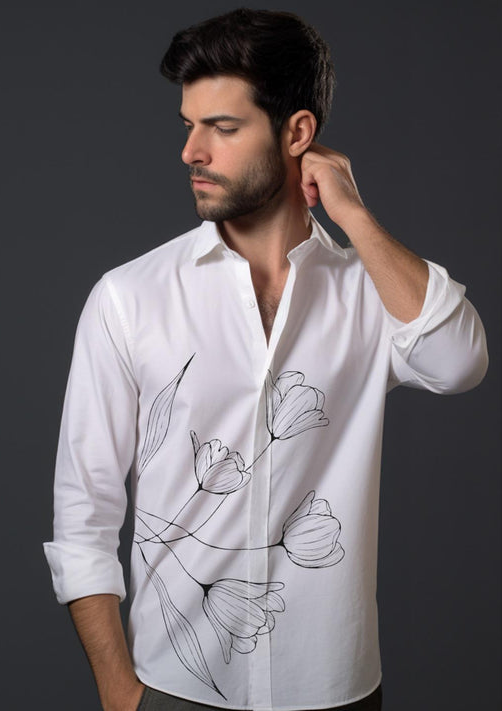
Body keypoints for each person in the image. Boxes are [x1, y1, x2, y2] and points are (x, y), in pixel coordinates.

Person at [44, 8, 488, 711]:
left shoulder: (367, 292)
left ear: (297, 134)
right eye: (188, 125)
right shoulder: (129, 297)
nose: (191, 151)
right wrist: (119, 693)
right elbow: (83, 512)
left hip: (336, 691)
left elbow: (457, 362)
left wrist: (354, 216)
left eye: (222, 128)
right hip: (174, 687)